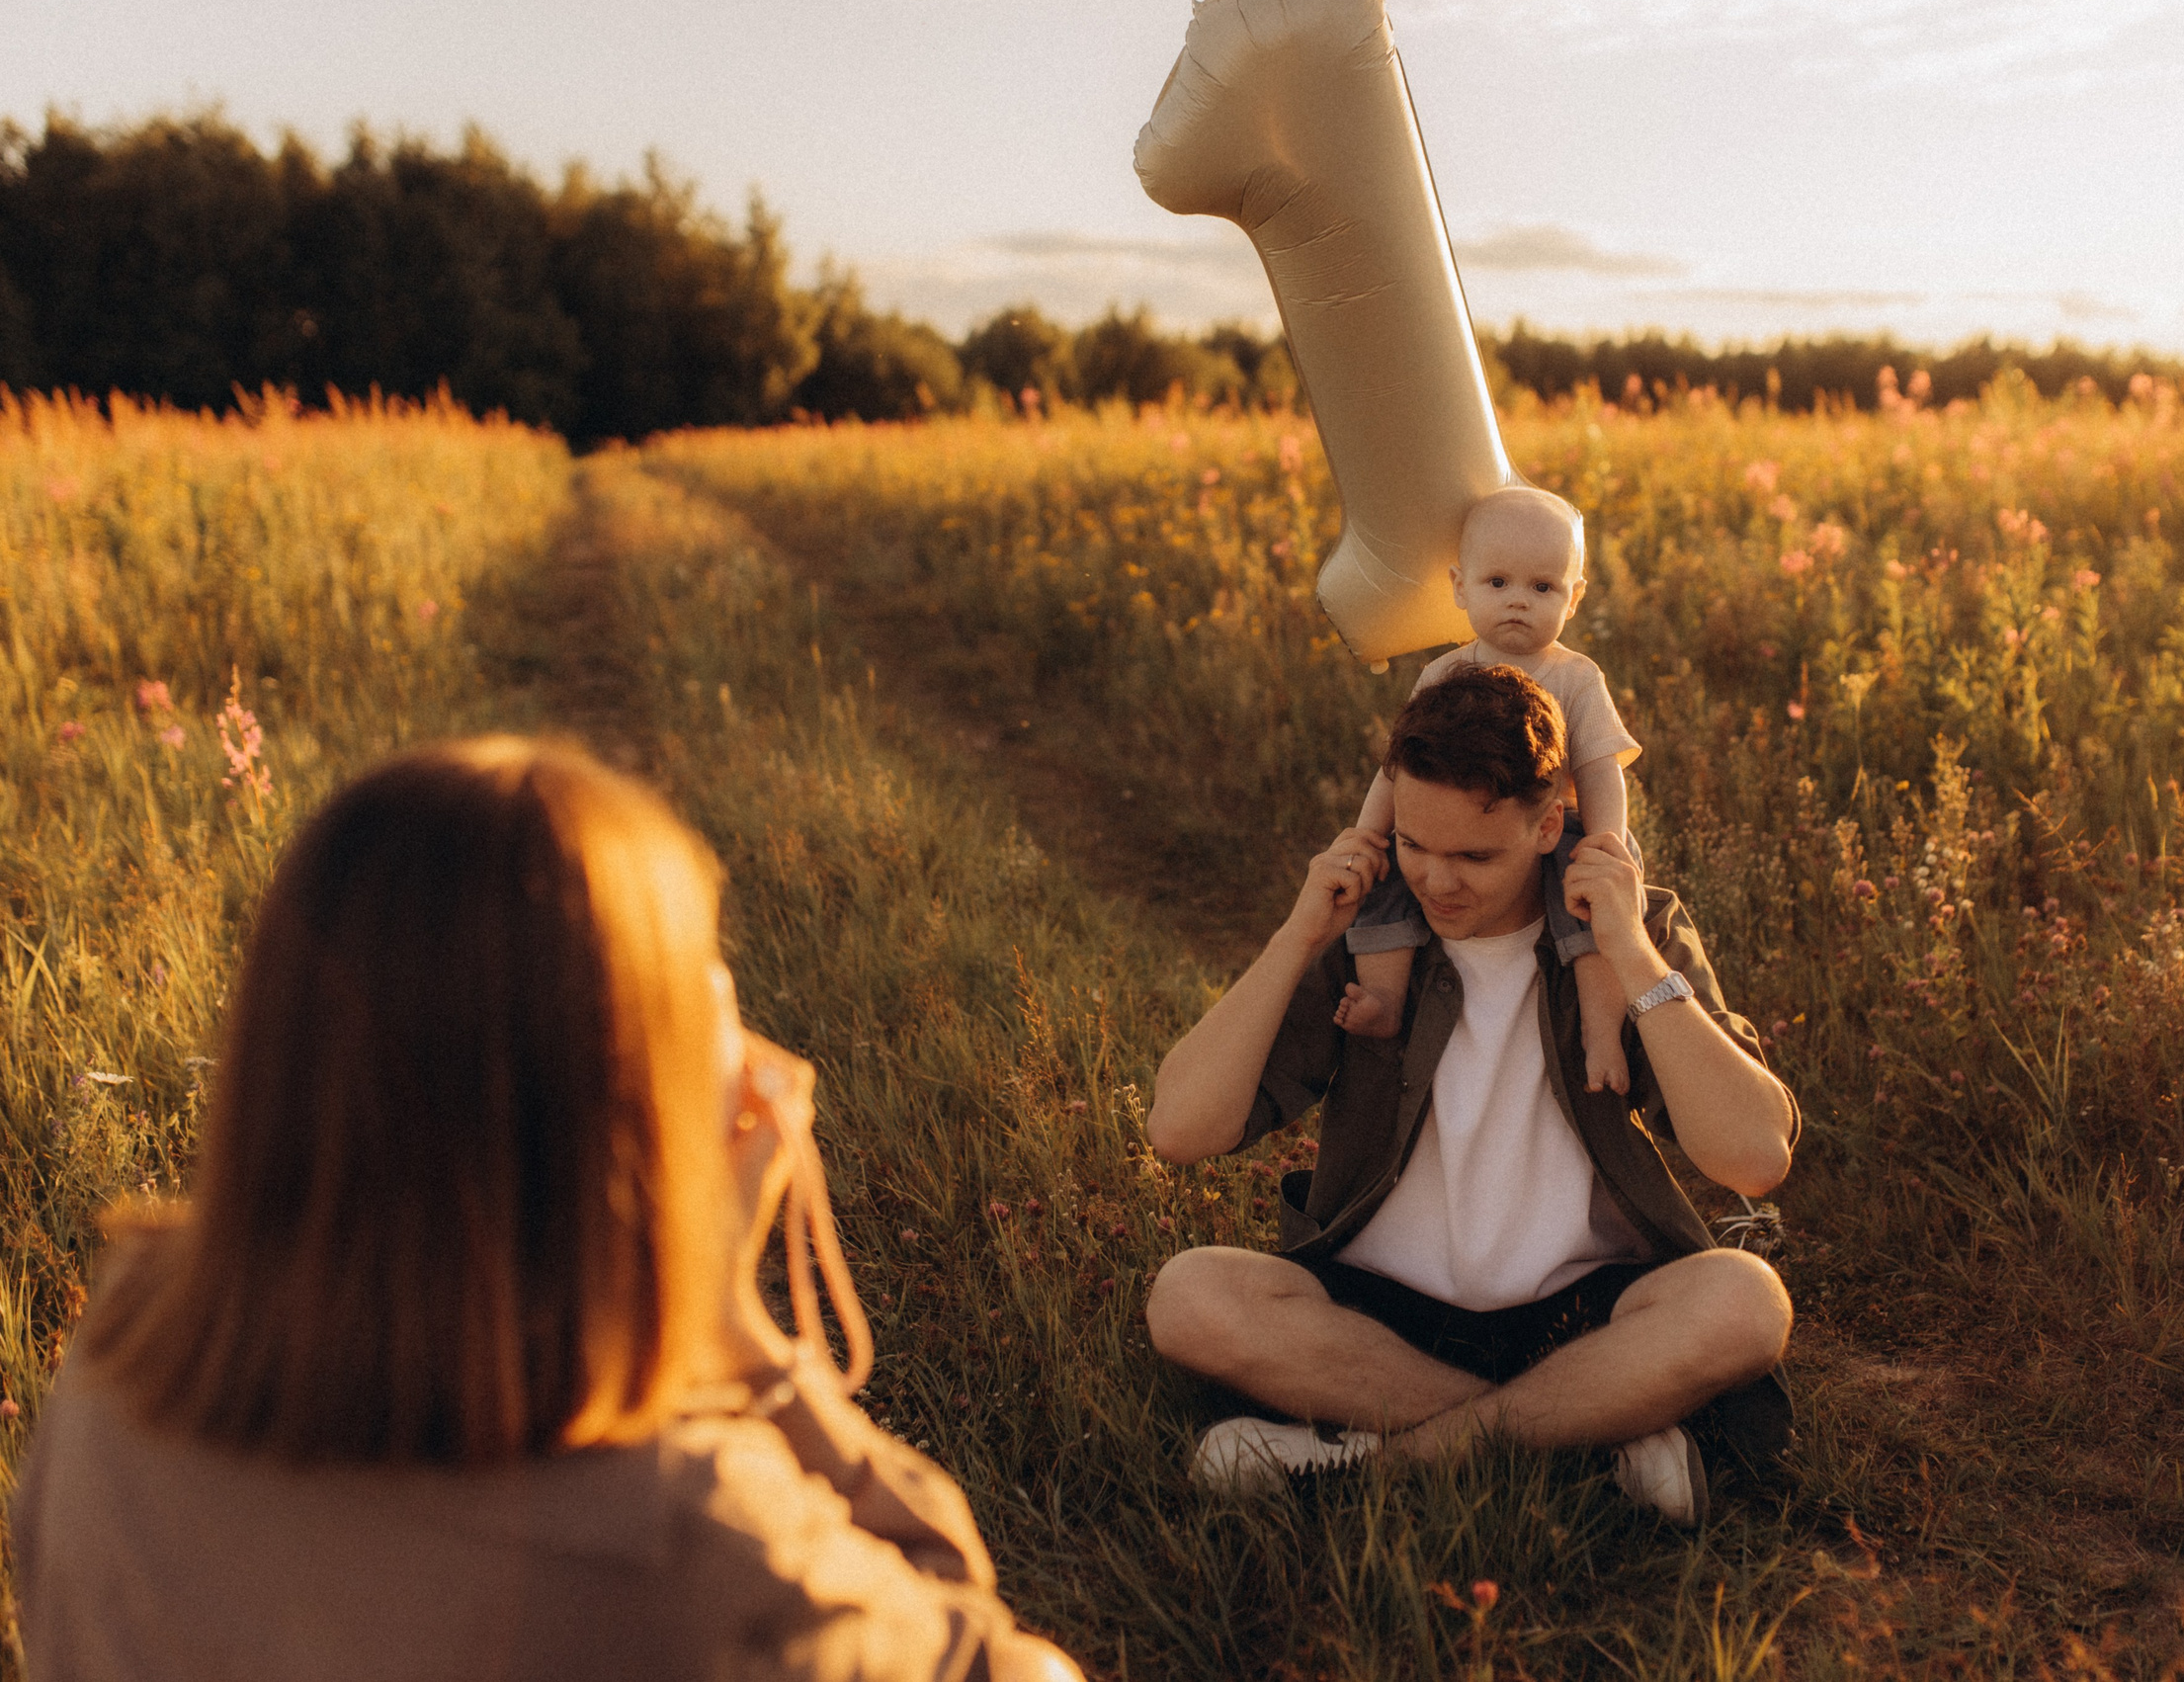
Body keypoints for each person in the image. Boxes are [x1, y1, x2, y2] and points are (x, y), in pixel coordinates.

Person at [11, 738, 1079, 1682]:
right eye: (706, 992)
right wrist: (731, 1327)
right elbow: (982, 1647)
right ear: (632, 1103)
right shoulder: (694, 1548)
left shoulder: (120, 1361)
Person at [1142, 666, 1796, 1525]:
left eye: (1474, 856)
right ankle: (1583, 1437)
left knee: (1746, 1301)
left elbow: (1753, 1154)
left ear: (1549, 823)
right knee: (1190, 1295)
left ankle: (1369, 1467)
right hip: (1378, 1315)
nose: (1436, 881)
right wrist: (1300, 932)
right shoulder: (1373, 934)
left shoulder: (1626, 933)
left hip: (1586, 1308)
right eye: (1414, 845)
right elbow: (1181, 1129)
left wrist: (1633, 954)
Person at [1338, 486, 1642, 1098]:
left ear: (1573, 596)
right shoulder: (1445, 672)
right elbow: (1399, 765)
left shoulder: (1575, 677)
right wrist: (1371, 831)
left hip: (1551, 828)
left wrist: (1606, 841)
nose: (1517, 603)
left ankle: (1602, 1028)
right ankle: (1383, 997)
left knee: (1592, 911)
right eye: (1497, 583)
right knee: (1389, 875)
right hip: (1444, 825)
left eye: (1542, 588)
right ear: (1459, 587)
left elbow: (1601, 767)